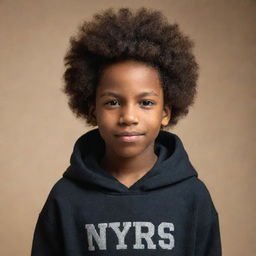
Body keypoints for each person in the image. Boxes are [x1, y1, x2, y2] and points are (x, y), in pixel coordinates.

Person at [31, 7, 221, 255]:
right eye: (112, 102)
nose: (129, 117)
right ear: (93, 110)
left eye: (146, 103)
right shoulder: (64, 198)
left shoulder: (193, 197)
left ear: (166, 112)